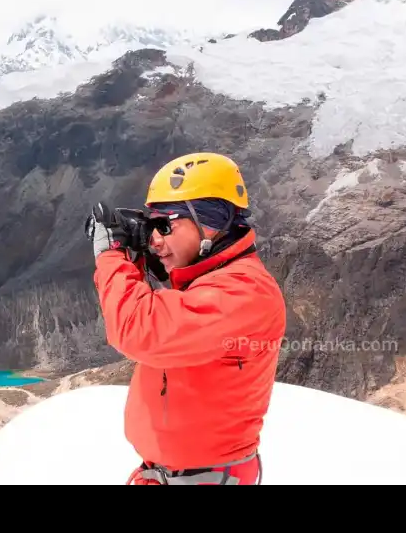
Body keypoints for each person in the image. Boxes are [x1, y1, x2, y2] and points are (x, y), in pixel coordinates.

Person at [85, 151, 287, 485]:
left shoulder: (245, 293)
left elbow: (140, 331)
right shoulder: (208, 283)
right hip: (171, 474)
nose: (156, 240)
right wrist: (137, 259)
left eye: (165, 225)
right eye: (151, 227)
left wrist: (111, 256)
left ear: (211, 223)